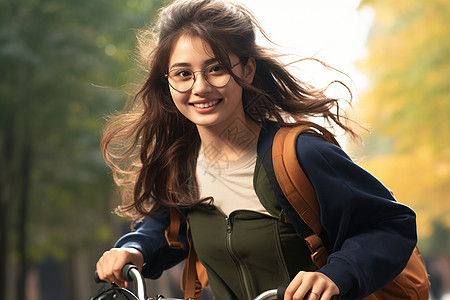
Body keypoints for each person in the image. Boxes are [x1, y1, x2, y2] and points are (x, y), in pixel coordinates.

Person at [95, 0, 418, 299]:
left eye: (216, 68)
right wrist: (134, 248)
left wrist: (337, 274)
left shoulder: (301, 155)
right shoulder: (181, 166)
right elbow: (168, 223)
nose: (200, 87)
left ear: (247, 70)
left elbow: (392, 223)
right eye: (183, 74)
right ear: (168, 81)